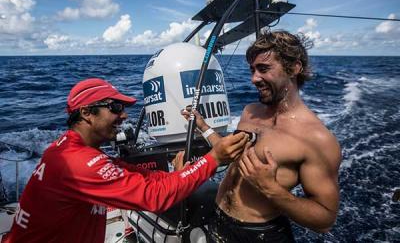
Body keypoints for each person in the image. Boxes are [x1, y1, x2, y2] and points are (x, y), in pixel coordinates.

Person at [3, 78, 248, 243]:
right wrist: (213, 158)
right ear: (87, 113)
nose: (124, 115)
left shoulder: (66, 148)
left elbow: (142, 176)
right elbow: (155, 196)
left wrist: (181, 173)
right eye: (115, 107)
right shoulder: (78, 163)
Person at [182, 30, 342, 242]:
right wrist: (203, 126)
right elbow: (232, 153)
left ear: (294, 68)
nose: (254, 79)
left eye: (263, 69)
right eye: (252, 70)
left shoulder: (318, 139)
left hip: (260, 235)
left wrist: (271, 188)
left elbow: (325, 220)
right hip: (217, 220)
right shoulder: (250, 111)